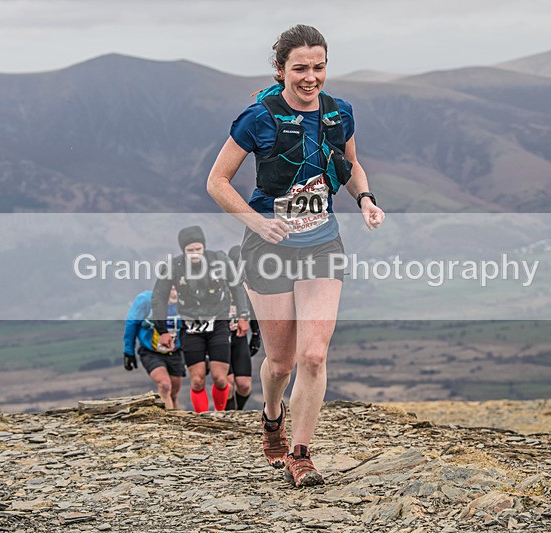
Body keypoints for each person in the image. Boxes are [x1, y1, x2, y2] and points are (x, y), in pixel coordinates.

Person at [206, 25, 385, 487]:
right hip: (268, 248)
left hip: (322, 244)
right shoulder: (258, 117)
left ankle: (301, 454)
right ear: (281, 69)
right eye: (300, 68)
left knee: (313, 356)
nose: (311, 77)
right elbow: (217, 182)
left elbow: (348, 164)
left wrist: (364, 197)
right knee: (280, 363)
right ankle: (271, 417)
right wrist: (257, 222)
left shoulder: (338, 112)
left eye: (319, 67)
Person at [152, 225, 250, 413]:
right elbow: (159, 297)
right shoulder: (173, 266)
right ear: (183, 250)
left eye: (198, 249)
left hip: (218, 323)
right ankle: (201, 418)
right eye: (190, 250)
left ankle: (221, 415)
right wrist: (162, 330)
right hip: (191, 326)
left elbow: (236, 286)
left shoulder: (219, 260)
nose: (195, 254)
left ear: (204, 247)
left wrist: (243, 315)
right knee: (197, 380)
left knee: (221, 378)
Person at [123, 286, 184, 409]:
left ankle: (176, 422)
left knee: (173, 394)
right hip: (151, 352)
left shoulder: (187, 300)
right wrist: (128, 351)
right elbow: (132, 323)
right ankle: (168, 424)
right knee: (165, 386)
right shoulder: (145, 300)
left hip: (174, 351)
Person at [225, 245, 262, 411]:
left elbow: (253, 311)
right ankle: (228, 415)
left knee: (244, 385)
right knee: (228, 382)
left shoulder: (249, 286)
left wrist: (256, 335)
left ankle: (237, 412)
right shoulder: (220, 283)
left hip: (239, 337)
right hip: (219, 338)